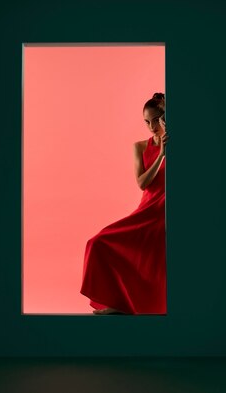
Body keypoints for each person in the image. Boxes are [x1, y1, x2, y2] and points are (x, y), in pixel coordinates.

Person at [80, 92, 168, 315]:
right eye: (147, 121)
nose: (152, 126)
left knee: (153, 264)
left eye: (157, 119)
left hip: (166, 212)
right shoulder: (140, 146)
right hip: (147, 210)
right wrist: (161, 155)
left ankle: (139, 306)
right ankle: (115, 302)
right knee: (98, 243)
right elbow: (142, 183)